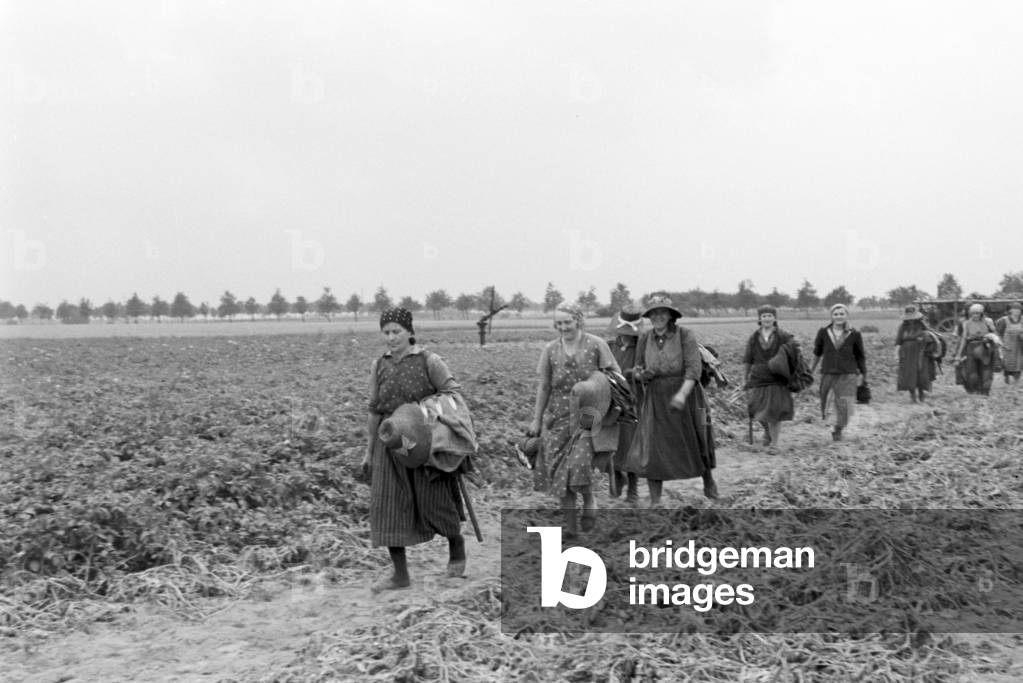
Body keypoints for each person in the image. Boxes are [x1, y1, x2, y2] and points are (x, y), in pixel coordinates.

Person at [360, 307, 467, 594]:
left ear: (409, 332)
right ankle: (400, 574)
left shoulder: (428, 360)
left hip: (422, 439)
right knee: (388, 505)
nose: (391, 337)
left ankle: (456, 547)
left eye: (397, 331)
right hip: (390, 440)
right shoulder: (378, 365)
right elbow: (373, 409)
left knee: (433, 499)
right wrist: (369, 451)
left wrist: (424, 413)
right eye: (386, 332)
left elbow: (453, 394)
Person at [527, 304, 620, 537]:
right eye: (558, 323)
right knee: (559, 475)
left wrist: (596, 388)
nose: (563, 327)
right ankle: (571, 527)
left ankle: (589, 499)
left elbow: (615, 377)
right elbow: (545, 386)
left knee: (579, 464)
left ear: (578, 320)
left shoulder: (596, 344)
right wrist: (536, 419)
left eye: (567, 322)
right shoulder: (550, 350)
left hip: (589, 414)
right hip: (557, 417)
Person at [628, 295, 717, 505]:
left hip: (687, 393)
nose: (658, 316)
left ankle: (709, 482)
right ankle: (656, 501)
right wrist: (641, 375)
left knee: (698, 438)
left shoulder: (684, 335)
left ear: (670, 315)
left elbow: (694, 368)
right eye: (654, 313)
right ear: (649, 316)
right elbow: (637, 366)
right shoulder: (645, 338)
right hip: (656, 396)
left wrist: (682, 394)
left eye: (662, 312)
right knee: (653, 446)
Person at [810, 304, 867, 442]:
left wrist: (864, 374)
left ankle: (838, 429)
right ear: (831, 316)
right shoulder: (823, 332)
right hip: (828, 373)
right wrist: (810, 371)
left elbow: (860, 356)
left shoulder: (854, 334)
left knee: (845, 404)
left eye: (842, 314)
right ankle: (832, 425)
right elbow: (817, 353)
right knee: (828, 403)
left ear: (846, 316)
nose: (839, 316)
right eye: (836, 314)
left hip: (848, 373)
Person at [742, 305, 795, 450]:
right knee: (756, 411)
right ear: (759, 319)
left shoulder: (783, 336)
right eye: (764, 316)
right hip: (759, 378)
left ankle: (774, 444)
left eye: (769, 316)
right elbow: (747, 359)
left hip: (777, 379)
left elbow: (794, 350)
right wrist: (744, 378)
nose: (767, 318)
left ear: (775, 318)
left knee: (775, 413)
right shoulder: (753, 338)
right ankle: (767, 432)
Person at [606, 303, 643, 504]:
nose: (627, 335)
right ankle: (617, 476)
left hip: (633, 401)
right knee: (609, 443)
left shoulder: (641, 349)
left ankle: (633, 488)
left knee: (630, 445)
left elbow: (646, 371)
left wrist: (635, 374)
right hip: (610, 401)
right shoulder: (610, 347)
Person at [953, 303, 1001, 395]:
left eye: (978, 313)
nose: (976, 315)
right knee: (971, 371)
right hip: (971, 347)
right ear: (970, 314)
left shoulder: (988, 321)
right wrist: (958, 354)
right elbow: (963, 338)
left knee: (986, 371)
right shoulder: (965, 323)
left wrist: (991, 329)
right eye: (973, 313)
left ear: (981, 313)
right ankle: (975, 391)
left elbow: (995, 334)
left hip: (986, 347)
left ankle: (985, 392)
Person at [894, 305, 936, 403]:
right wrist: (896, 354)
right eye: (909, 317)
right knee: (909, 373)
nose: (911, 320)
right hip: (906, 352)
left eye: (913, 317)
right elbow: (898, 341)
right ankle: (913, 395)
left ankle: (921, 394)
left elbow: (929, 336)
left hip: (920, 351)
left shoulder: (921, 325)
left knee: (921, 372)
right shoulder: (902, 327)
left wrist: (923, 338)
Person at [995, 302, 1023, 384]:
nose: (1017, 312)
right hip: (1007, 346)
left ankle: (1016, 380)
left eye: (1019, 310)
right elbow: (998, 334)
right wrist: (1000, 344)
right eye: (1014, 310)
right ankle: (1006, 378)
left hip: (1019, 346)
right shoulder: (1004, 320)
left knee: (1019, 362)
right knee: (1007, 363)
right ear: (1010, 311)